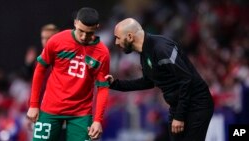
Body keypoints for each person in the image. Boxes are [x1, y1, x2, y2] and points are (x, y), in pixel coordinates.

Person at [105, 18, 214, 141]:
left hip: (196, 104)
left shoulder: (161, 48)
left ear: (130, 36)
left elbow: (186, 79)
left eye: (118, 37)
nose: (116, 42)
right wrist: (115, 84)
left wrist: (179, 116)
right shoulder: (145, 52)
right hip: (178, 106)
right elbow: (149, 81)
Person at [26, 7, 110, 141]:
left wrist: (98, 120)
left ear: (97, 27)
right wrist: (34, 104)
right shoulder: (57, 40)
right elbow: (40, 68)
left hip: (81, 114)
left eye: (89, 33)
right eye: (81, 31)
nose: (84, 37)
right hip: (50, 109)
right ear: (75, 23)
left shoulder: (102, 53)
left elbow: (103, 87)